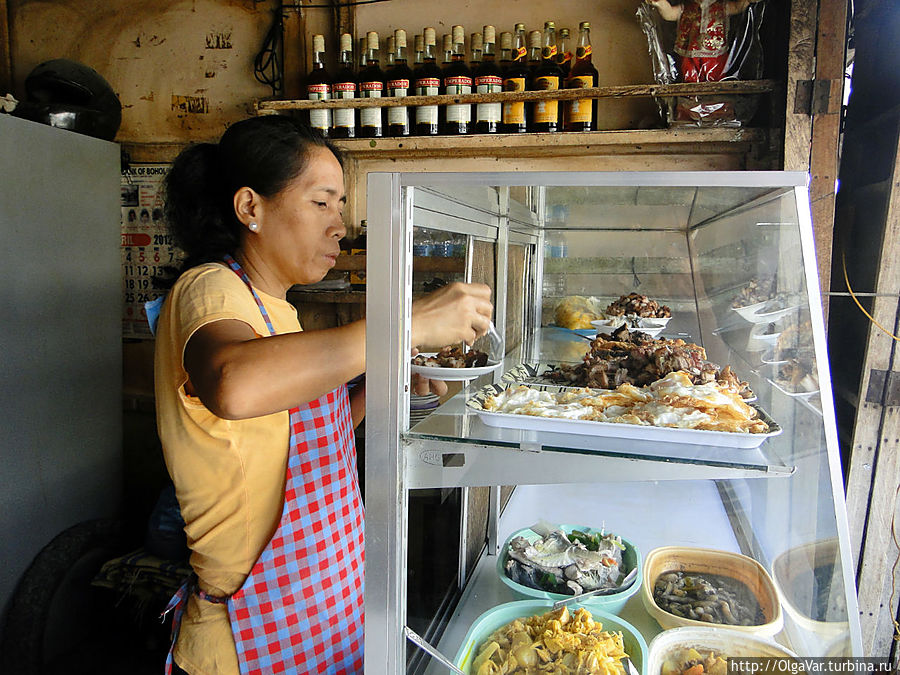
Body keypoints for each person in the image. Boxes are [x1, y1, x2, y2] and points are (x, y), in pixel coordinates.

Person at [155, 115, 492, 675]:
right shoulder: (209, 287)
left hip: (317, 605)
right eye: (322, 203)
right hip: (247, 631)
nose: (340, 226)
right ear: (250, 207)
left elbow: (303, 430)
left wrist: (391, 382)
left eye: (341, 207)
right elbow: (235, 385)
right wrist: (404, 326)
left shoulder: (278, 309)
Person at [647, 0, 762, 82]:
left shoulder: (721, 6)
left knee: (717, 75)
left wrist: (747, 1)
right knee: (688, 74)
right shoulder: (686, 7)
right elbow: (671, 14)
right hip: (689, 52)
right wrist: (660, 4)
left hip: (716, 52)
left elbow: (737, 7)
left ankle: (717, 104)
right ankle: (690, 104)